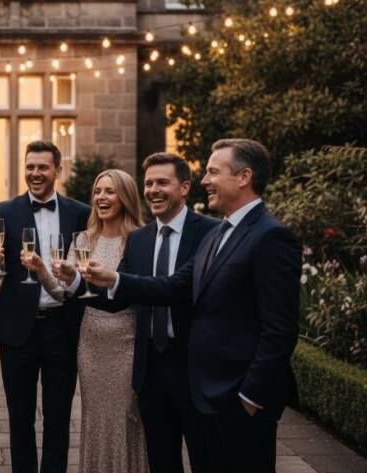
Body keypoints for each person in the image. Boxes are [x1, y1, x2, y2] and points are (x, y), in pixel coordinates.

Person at [84, 139, 301, 473]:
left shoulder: (270, 235)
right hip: (208, 391)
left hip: (238, 396)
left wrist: (250, 397)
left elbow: (280, 329)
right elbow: (174, 286)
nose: (205, 180)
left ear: (243, 177)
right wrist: (111, 278)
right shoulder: (220, 234)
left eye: (213, 172)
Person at [0, 140, 90, 473]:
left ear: (57, 170)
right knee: (19, 418)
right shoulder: (5, 210)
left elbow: (84, 267)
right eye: (30, 167)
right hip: (17, 329)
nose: (35, 173)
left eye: (42, 167)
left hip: (62, 327)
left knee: (59, 418)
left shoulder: (79, 212)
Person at [28, 169, 149, 473]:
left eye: (109, 191)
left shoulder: (140, 239)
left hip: (127, 342)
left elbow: (142, 291)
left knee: (126, 419)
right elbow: (63, 293)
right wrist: (42, 271)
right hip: (91, 343)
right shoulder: (83, 239)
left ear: (125, 197)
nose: (101, 197)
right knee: (94, 420)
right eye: (97, 191)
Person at [112, 153, 217, 473]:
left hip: (195, 367)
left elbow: (177, 289)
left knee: (207, 459)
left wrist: (111, 279)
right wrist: (74, 282)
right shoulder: (138, 239)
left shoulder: (211, 232)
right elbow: (120, 295)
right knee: (161, 461)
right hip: (151, 368)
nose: (153, 190)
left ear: (184, 187)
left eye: (162, 183)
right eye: (148, 184)